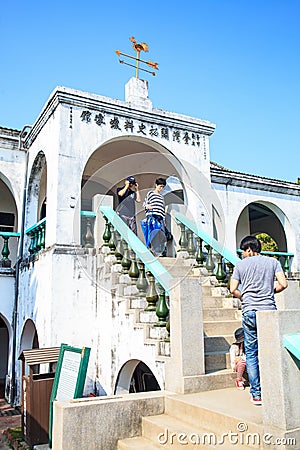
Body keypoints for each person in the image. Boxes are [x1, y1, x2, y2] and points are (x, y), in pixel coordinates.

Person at [230, 235, 288, 406]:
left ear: (249, 249)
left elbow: (233, 289)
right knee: (272, 349)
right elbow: (283, 284)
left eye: (243, 252)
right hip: (268, 310)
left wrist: (245, 296)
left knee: (252, 353)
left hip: (249, 311)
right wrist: (269, 292)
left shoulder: (240, 266)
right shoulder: (273, 262)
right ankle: (276, 388)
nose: (242, 255)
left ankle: (257, 394)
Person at [141, 177, 167, 254]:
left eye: (163, 187)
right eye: (160, 186)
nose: (161, 188)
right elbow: (144, 203)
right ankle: (150, 248)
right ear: (156, 185)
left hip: (160, 218)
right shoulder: (151, 193)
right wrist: (148, 206)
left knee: (160, 235)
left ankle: (158, 251)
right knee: (152, 232)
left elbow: (163, 208)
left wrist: (164, 219)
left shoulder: (162, 197)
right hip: (152, 216)